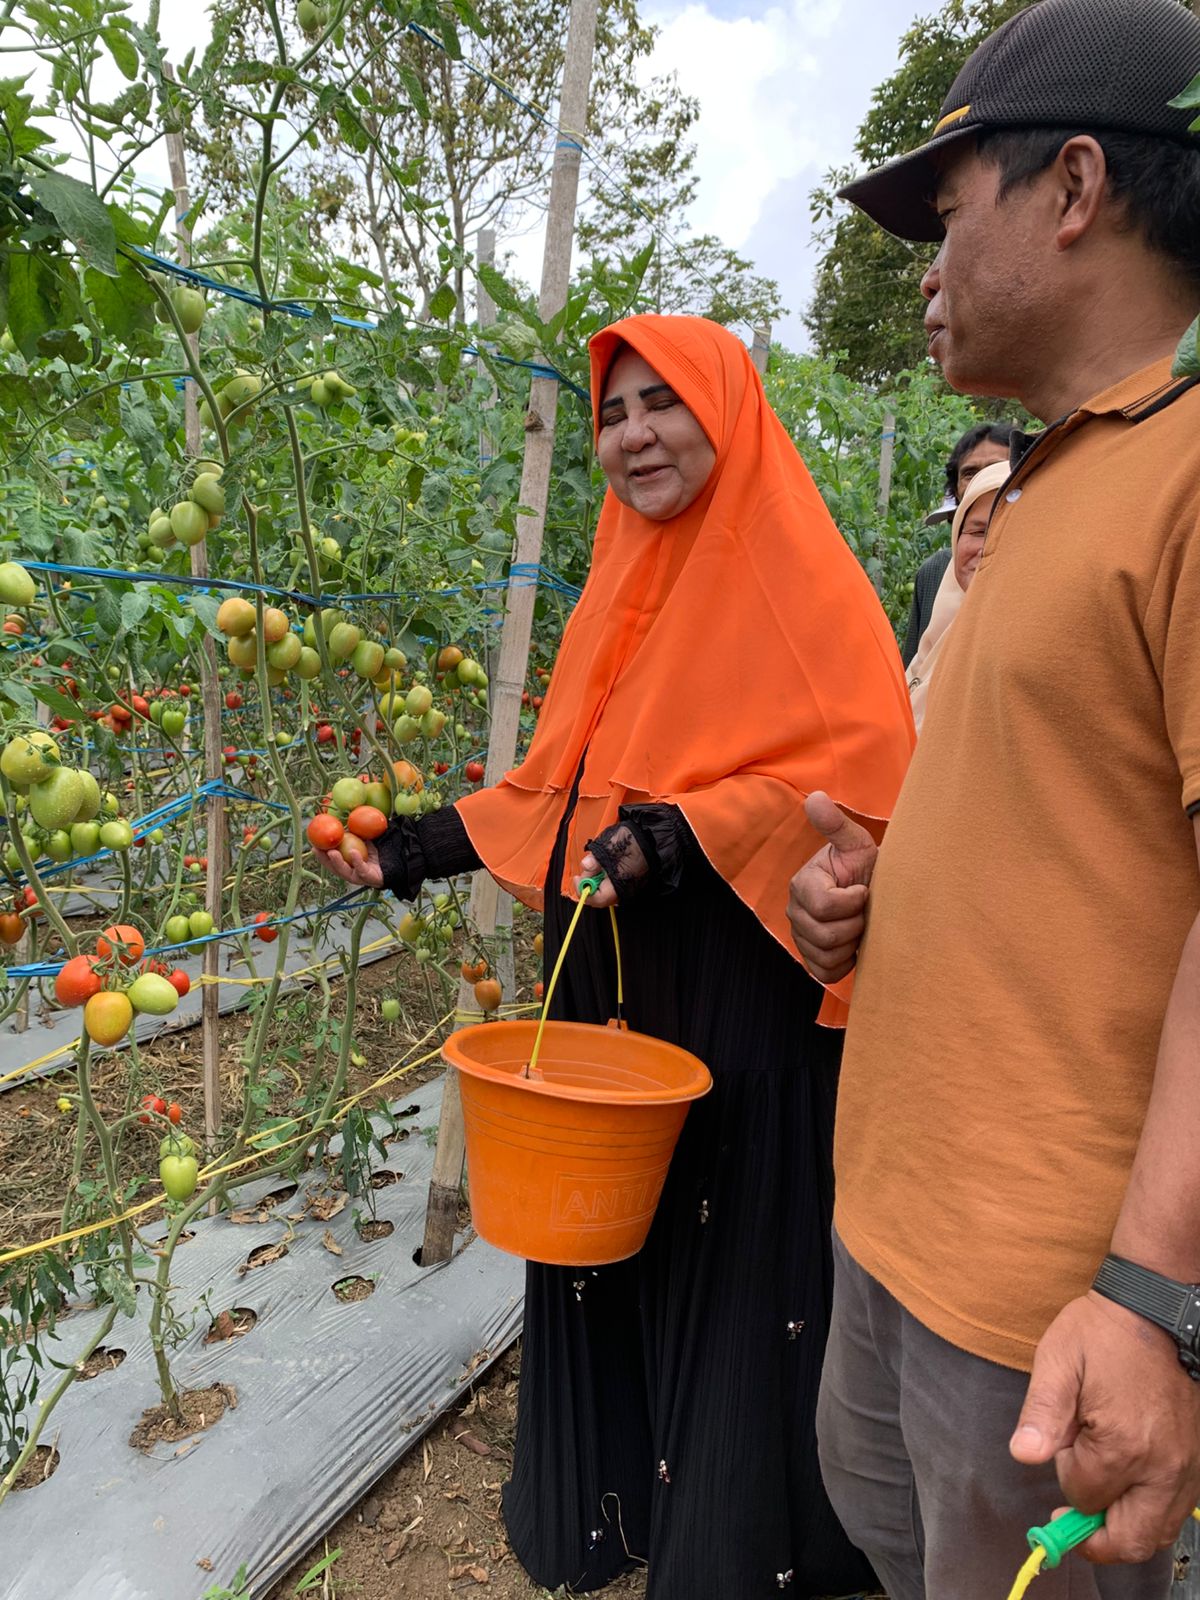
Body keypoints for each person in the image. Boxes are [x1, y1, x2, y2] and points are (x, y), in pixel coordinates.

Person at [316, 313, 914, 1597]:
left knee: (730, 1242)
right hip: (615, 973)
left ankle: (740, 1548)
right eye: (611, 412)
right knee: (613, 1232)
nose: (633, 434)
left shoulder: (803, 581)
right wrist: (409, 846)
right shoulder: (622, 582)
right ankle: (609, 1507)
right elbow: (562, 783)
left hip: (738, 979)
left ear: (727, 413)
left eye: (663, 403)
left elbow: (860, 777)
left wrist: (684, 833)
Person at [786, 0, 1200, 1595]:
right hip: (904, 1226)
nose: (927, 267)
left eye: (949, 215)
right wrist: (877, 899)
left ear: (1075, 186)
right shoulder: (1047, 482)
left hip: (1049, 1303)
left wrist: (1152, 1293)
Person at [900, 421, 1015, 664]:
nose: (982, 480)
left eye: (995, 469)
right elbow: (915, 663)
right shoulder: (934, 571)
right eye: (970, 473)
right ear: (956, 489)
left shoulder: (1039, 568)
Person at [905, 458, 1007, 732]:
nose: (987, 547)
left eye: (1009, 530)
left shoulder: (1027, 655)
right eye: (977, 531)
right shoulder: (939, 627)